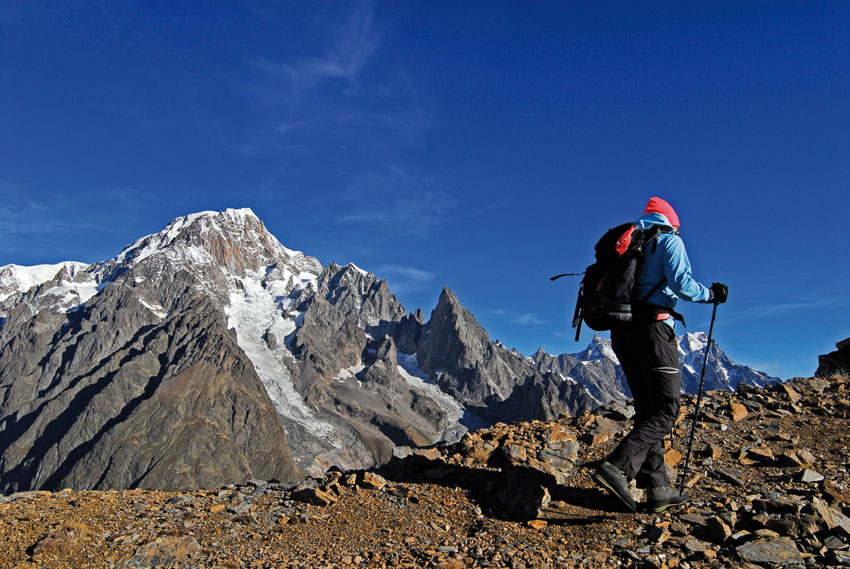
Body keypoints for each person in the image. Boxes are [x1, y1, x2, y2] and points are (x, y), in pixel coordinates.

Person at [592, 196, 728, 513]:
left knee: (647, 408)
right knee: (666, 408)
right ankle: (617, 465)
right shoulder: (667, 241)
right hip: (654, 331)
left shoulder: (628, 243)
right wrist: (712, 295)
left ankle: (658, 488)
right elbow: (682, 285)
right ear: (672, 223)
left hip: (623, 333)